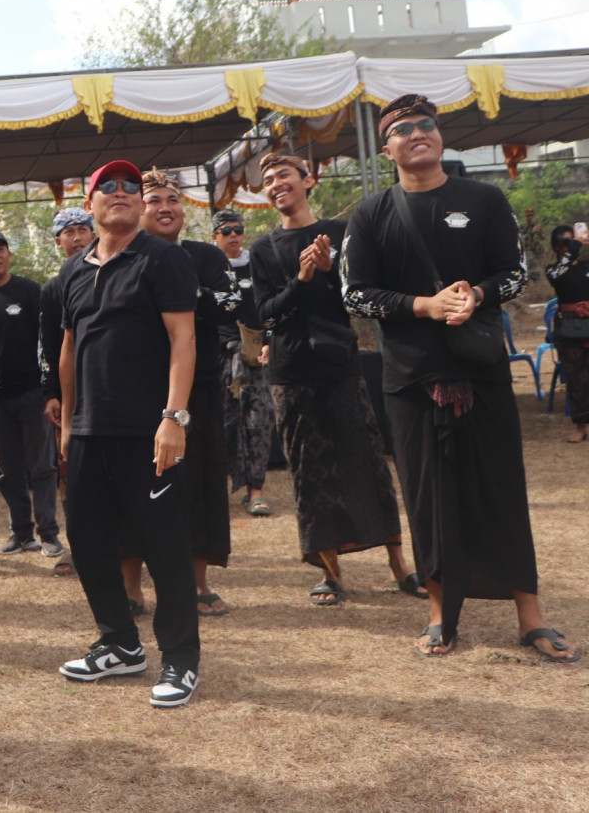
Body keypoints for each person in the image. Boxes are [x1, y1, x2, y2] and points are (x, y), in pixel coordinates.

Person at [342, 94, 580, 660]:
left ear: (440, 136)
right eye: (403, 128)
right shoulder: (371, 214)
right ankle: (439, 616)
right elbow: (355, 292)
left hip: (481, 373)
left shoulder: (484, 199)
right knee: (428, 500)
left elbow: (514, 272)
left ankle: (530, 615)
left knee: (500, 491)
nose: (417, 133)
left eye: (427, 124)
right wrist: (423, 305)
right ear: (387, 146)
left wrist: (476, 292)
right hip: (411, 379)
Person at [251, 152, 425, 607]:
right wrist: (304, 277)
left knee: (366, 461)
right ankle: (330, 572)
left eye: (284, 174)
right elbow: (265, 313)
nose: (276, 183)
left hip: (340, 365)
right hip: (289, 372)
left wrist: (330, 274)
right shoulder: (264, 248)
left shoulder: (343, 234)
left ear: (308, 180)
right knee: (310, 472)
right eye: (268, 180)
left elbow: (358, 297)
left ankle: (399, 565)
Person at [58, 159, 201, 708]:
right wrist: (69, 425)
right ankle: (120, 644)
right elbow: (70, 352)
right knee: (89, 544)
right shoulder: (73, 271)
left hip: (150, 431)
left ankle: (181, 660)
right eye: (107, 187)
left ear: (141, 204)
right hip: (90, 432)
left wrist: (173, 417)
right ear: (89, 205)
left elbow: (182, 340)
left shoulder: (163, 259)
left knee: (165, 549)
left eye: (130, 187)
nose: (121, 193)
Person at [122, 168, 237, 617]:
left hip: (200, 389)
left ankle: (197, 583)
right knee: (134, 486)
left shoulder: (205, 255)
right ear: (138, 208)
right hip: (136, 389)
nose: (165, 207)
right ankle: (131, 587)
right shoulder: (122, 255)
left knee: (198, 485)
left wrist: (173, 294)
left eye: (173, 199)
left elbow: (230, 305)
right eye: (154, 200)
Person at [0, 230, 64, 558]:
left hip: (32, 394)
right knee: (8, 471)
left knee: (42, 467)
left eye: (1, 248)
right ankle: (21, 534)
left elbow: (49, 343)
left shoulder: (29, 291)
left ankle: (49, 534)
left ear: (9, 254)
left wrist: (51, 390)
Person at [39, 206, 96, 577]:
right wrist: (52, 393)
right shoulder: (53, 287)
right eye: (68, 232)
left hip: (114, 389)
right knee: (72, 474)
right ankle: (80, 547)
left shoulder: (114, 269)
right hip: (73, 395)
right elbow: (47, 344)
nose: (77, 238)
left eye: (82, 229)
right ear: (58, 241)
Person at [211, 207, 275, 517]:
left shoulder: (257, 264)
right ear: (215, 236)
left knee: (258, 421)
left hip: (256, 355)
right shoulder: (208, 267)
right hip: (220, 356)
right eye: (227, 231)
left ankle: (256, 491)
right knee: (224, 423)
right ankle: (222, 490)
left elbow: (272, 305)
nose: (234, 235)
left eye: (238, 229)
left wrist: (269, 342)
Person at [545, 224, 589, 443]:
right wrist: (574, 249)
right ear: (557, 246)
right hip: (569, 326)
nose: (570, 245)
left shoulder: (586, 266)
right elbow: (558, 275)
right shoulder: (553, 270)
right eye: (565, 241)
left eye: (573, 240)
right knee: (575, 378)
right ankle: (580, 426)